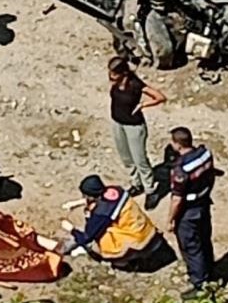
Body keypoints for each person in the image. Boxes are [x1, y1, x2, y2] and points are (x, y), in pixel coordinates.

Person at [59, 174, 169, 269]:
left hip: (138, 241)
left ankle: (122, 260)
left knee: (97, 240)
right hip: (145, 230)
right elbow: (104, 200)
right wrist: (76, 203)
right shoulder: (116, 190)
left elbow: (87, 237)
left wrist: (71, 228)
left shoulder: (101, 212)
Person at [108, 57, 166, 210]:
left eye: (114, 73)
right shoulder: (115, 84)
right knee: (126, 156)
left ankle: (150, 189)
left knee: (140, 159)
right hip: (118, 123)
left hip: (134, 126)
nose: (111, 76)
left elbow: (160, 97)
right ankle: (136, 183)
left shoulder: (135, 84)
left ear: (123, 72)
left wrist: (142, 105)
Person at [168, 126, 216, 300]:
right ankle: (209, 271)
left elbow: (177, 199)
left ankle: (200, 285)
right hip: (204, 203)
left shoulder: (181, 169)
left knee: (191, 247)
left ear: (178, 145)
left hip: (188, 211)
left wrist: (171, 220)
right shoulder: (205, 154)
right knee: (204, 239)